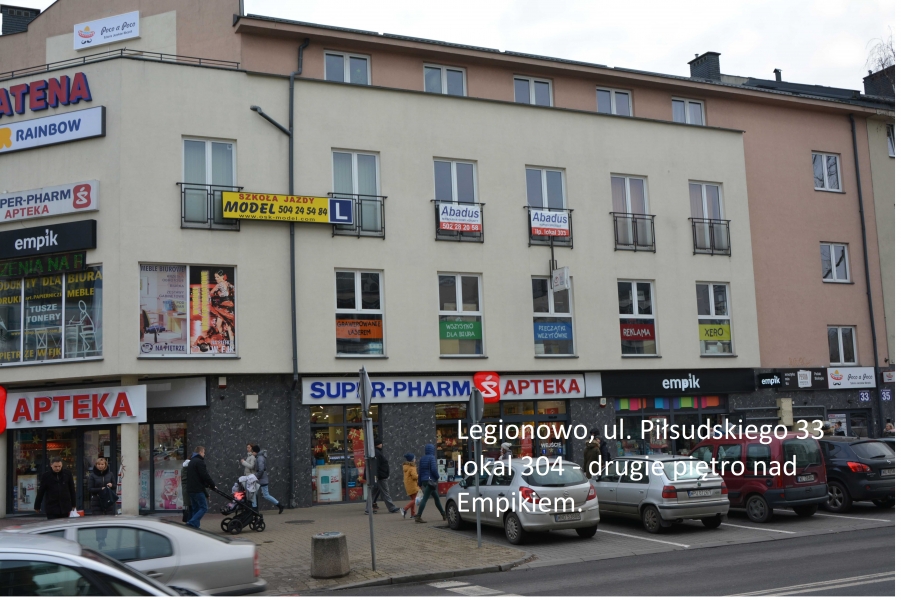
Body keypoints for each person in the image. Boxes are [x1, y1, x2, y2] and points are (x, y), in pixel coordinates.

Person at [185, 446, 217, 529]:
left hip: (190, 489)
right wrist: (212, 484)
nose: (204, 454)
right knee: (203, 507)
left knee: (196, 508)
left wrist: (207, 486)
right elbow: (204, 475)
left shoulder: (191, 462)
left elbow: (196, 477)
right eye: (203, 452)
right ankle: (191, 522)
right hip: (197, 489)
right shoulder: (199, 462)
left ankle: (195, 527)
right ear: (200, 452)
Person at [367, 439, 400, 515]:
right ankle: (391, 507)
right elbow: (377, 465)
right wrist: (378, 475)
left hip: (379, 476)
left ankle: (368, 509)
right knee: (385, 492)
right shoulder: (377, 453)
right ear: (378, 444)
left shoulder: (376, 452)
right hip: (381, 476)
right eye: (380, 443)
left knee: (373, 493)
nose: (382, 445)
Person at [414, 444, 445, 523]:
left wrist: (420, 483)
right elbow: (433, 469)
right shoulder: (432, 458)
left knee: (436, 497)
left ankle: (443, 514)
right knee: (425, 499)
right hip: (430, 481)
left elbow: (420, 472)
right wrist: (437, 477)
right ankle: (418, 516)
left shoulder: (422, 458)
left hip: (424, 481)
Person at [252, 445, 284, 513]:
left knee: (256, 493)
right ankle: (279, 505)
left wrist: (256, 476)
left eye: (252, 452)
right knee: (264, 494)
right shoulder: (260, 457)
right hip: (262, 478)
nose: (252, 453)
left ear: (255, 452)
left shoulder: (259, 458)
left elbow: (261, 469)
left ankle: (254, 509)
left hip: (260, 478)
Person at [401, 452, 419, 518]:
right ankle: (404, 509)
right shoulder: (412, 467)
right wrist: (419, 476)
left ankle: (413, 514)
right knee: (416, 499)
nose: (415, 459)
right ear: (412, 460)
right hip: (413, 486)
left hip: (408, 486)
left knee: (413, 500)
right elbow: (414, 477)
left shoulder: (406, 467)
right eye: (414, 458)